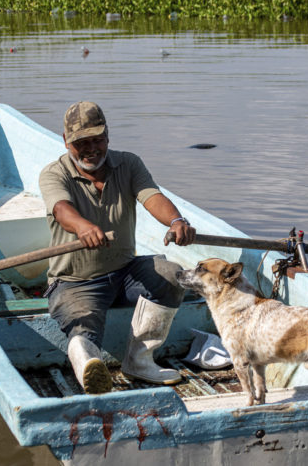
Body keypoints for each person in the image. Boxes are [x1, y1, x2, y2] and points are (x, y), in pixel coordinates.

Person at [39, 101, 196, 394]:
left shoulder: (128, 163)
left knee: (172, 274)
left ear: (108, 136)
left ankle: (139, 360)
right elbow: (61, 209)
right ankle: (89, 367)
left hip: (125, 272)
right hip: (75, 282)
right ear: (65, 141)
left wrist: (176, 221)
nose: (91, 149)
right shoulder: (53, 173)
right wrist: (83, 227)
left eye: (97, 140)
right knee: (83, 326)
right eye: (80, 142)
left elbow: (152, 197)